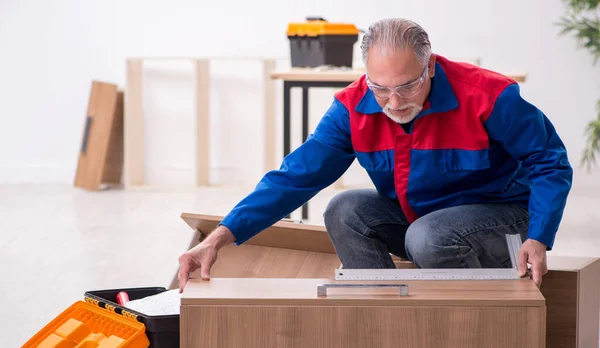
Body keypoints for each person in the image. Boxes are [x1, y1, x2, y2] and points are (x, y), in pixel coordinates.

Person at [177, 18, 573, 292]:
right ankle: (382, 312)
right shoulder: (352, 108)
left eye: (407, 86)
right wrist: (219, 237)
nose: (394, 102)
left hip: (503, 218)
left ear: (430, 67)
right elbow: (295, 176)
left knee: (428, 236)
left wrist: (538, 237)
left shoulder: (488, 96)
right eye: (380, 88)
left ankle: (464, 325)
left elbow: (550, 161)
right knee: (345, 208)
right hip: (425, 222)